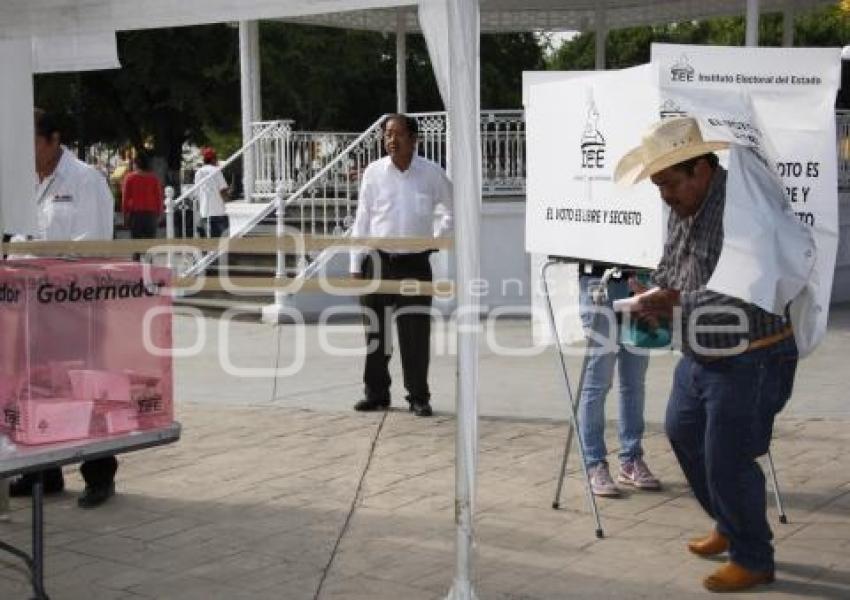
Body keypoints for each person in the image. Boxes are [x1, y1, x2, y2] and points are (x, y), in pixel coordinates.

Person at [616, 117, 799, 593]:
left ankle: (753, 557)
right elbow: (672, 265)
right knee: (682, 433)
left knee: (728, 459)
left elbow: (745, 294)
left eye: (670, 184)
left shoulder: (744, 211)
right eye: (658, 186)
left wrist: (673, 303)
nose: (664, 196)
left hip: (752, 355)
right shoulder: (684, 206)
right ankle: (729, 521)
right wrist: (651, 292)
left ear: (701, 169)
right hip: (702, 352)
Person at [8, 108, 118, 509]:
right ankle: (44, 471)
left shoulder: (85, 179)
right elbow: (20, 235)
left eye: (31, 143)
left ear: (54, 139)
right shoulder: (22, 182)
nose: (24, 153)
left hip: (77, 305)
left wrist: (36, 257)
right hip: (33, 304)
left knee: (83, 387)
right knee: (37, 386)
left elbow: (91, 245)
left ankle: (99, 473)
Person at [349, 113, 452, 417]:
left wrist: (437, 239)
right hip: (377, 261)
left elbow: (452, 208)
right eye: (386, 135)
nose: (391, 140)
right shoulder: (374, 172)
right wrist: (356, 261)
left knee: (415, 333)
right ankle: (377, 393)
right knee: (376, 333)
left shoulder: (432, 173)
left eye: (397, 134)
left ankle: (418, 396)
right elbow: (363, 218)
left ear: (413, 139)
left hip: (415, 264)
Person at [575, 264, 660, 496]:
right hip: (599, 282)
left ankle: (631, 459)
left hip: (639, 282)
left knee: (634, 382)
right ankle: (595, 463)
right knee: (598, 381)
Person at [122, 150, 163, 248]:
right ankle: (149, 263)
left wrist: (125, 215)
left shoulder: (129, 178)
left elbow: (125, 199)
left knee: (136, 247)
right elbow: (159, 197)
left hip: (136, 215)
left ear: (136, 164)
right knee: (150, 246)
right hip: (151, 215)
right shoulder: (154, 179)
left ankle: (137, 262)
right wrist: (160, 213)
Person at [194, 147, 230, 238]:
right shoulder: (216, 171)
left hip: (204, 212)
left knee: (207, 241)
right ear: (213, 159)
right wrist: (227, 199)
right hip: (218, 212)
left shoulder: (199, 172)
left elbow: (197, 192)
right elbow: (223, 190)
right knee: (218, 241)